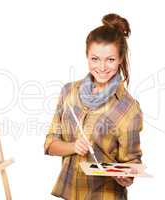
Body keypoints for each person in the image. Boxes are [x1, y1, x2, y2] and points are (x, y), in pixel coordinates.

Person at [44, 13, 143, 200]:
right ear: (87, 56)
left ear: (121, 58)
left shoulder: (128, 108)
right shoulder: (69, 92)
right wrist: (73, 146)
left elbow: (132, 163)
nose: (102, 67)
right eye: (95, 59)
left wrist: (126, 176)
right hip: (70, 194)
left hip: (105, 195)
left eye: (110, 59)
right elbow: (50, 144)